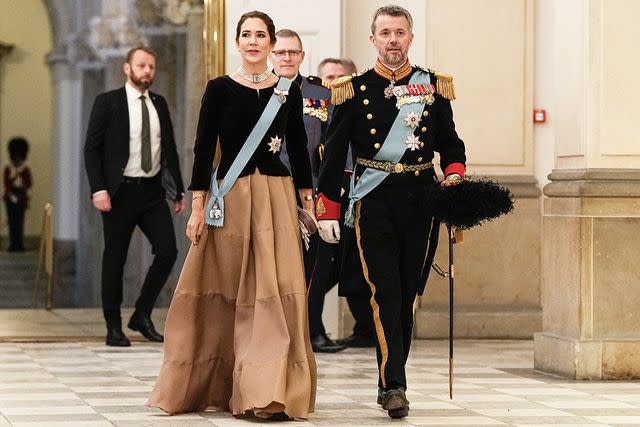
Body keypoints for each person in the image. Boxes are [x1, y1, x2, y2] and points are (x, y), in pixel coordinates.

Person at [148, 11, 316, 420]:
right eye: (247, 34)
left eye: (261, 35)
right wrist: (198, 205)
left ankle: (268, 390)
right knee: (231, 291)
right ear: (237, 42)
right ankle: (222, 383)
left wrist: (308, 203)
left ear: (272, 43)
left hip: (276, 197)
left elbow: (297, 146)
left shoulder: (287, 91)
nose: (254, 41)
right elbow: (204, 149)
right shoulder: (219, 88)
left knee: (273, 293)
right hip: (233, 198)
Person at [315, 5, 466, 419]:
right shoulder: (353, 89)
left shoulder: (434, 87)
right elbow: (331, 154)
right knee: (385, 293)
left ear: (411, 38)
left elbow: (451, 146)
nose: (393, 39)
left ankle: (392, 378)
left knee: (407, 296)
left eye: (400, 32)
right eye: (385, 32)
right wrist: (327, 207)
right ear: (373, 39)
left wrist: (453, 178)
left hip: (421, 202)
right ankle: (393, 385)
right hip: (373, 202)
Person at [84, 46, 186, 347]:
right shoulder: (108, 102)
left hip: (152, 191)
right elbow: (91, 149)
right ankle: (113, 326)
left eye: (151, 67)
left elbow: (169, 149)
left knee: (167, 251)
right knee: (115, 257)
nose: (147, 72)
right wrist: (98, 188)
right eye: (141, 65)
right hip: (119, 192)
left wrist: (177, 190)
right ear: (127, 68)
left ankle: (141, 314)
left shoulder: (159, 103)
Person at [270, 30, 346, 353]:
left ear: (302, 56)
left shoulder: (321, 93)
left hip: (310, 192)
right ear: (272, 56)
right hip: (270, 188)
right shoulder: (257, 90)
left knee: (315, 265)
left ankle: (311, 330)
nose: (287, 58)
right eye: (281, 52)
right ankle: (274, 333)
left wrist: (335, 190)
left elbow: (338, 143)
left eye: (293, 52)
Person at [317, 58, 377, 350]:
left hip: (360, 195)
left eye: (341, 77)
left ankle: (366, 327)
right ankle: (307, 321)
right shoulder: (314, 112)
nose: (335, 82)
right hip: (326, 198)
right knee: (324, 267)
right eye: (329, 76)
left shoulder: (363, 107)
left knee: (355, 264)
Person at [3, 137, 32, 252]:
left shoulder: (25, 170)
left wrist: (22, 186)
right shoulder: (8, 169)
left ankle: (19, 243)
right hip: (9, 199)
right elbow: (6, 184)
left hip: (21, 199)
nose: (16, 160)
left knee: (20, 222)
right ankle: (12, 243)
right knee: (11, 221)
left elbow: (29, 184)